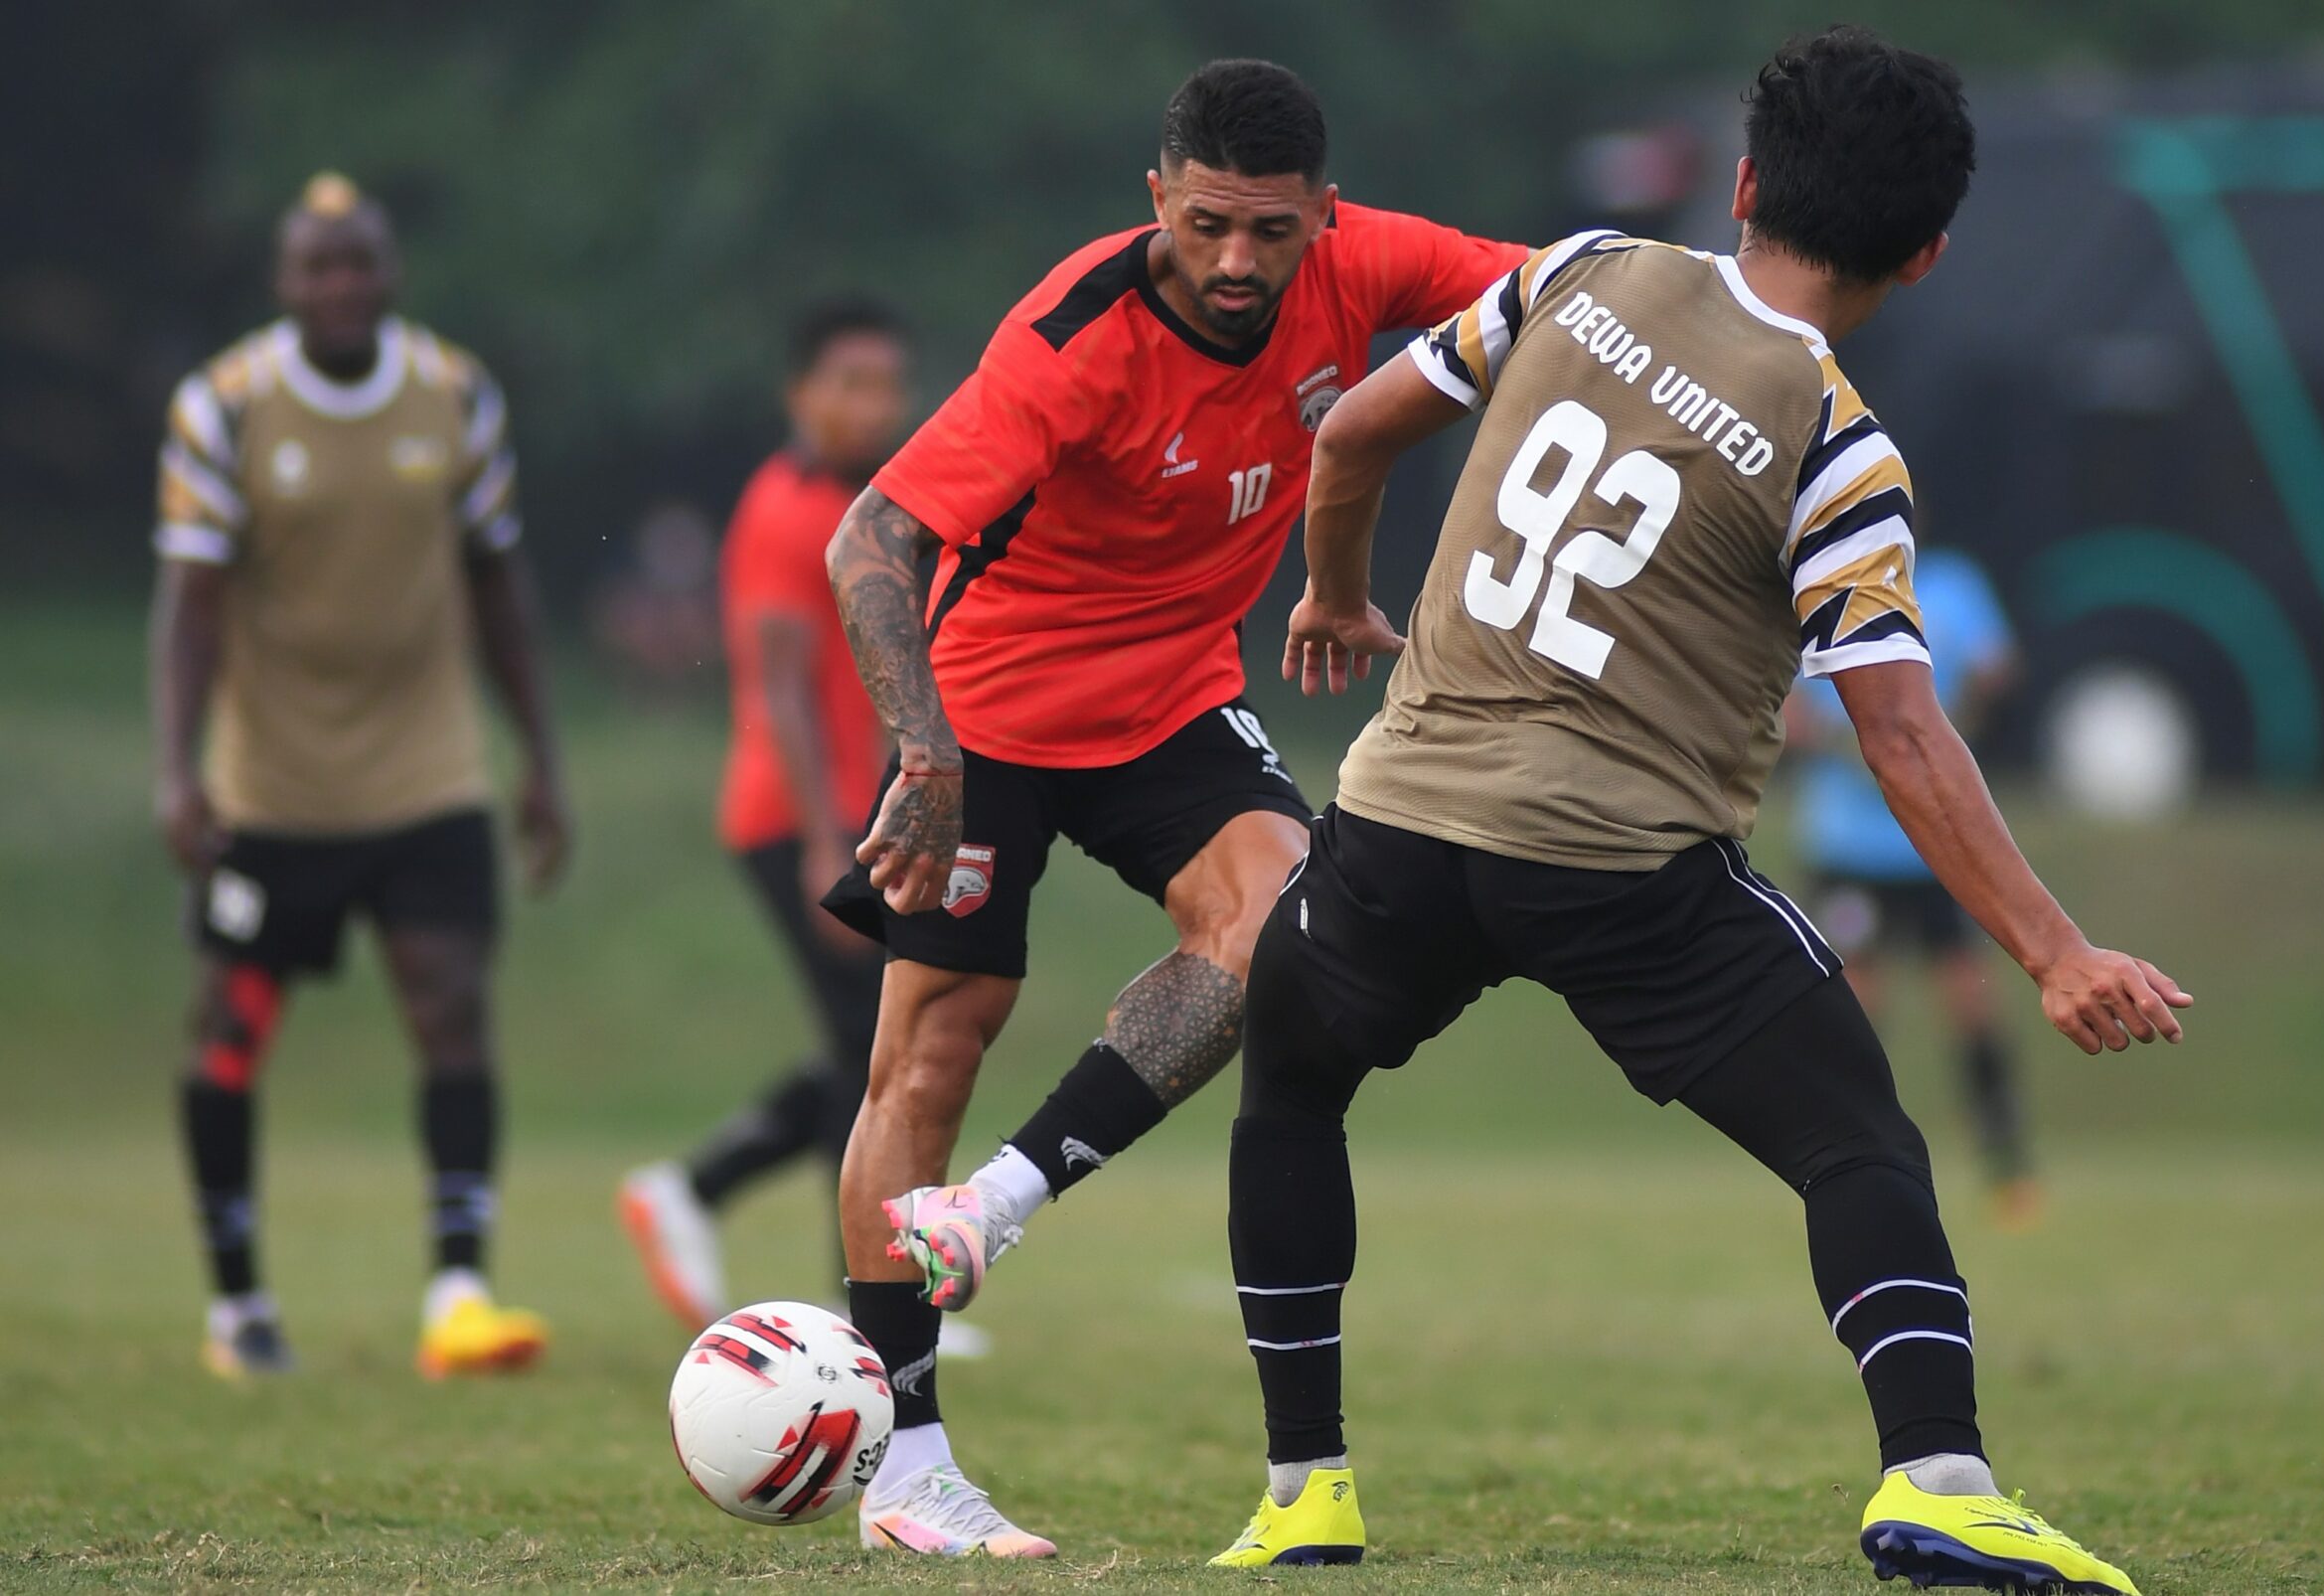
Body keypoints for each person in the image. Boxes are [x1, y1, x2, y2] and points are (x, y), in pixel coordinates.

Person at [1208, 30, 2186, 1592]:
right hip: (1618, 868)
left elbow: (1348, 431)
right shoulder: (1842, 449)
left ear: (1740, 185)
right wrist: (2056, 950)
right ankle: (1940, 1477)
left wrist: (1332, 594)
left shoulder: (1583, 270)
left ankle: (1301, 1490)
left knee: (1294, 1084)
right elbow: (1904, 737)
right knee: (1858, 1139)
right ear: (1924, 256)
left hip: (1400, 822)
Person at [818, 60, 1525, 1557]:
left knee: (1284, 935)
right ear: (1159, 196)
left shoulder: (1371, 267)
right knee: (926, 1054)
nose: (1236, 263)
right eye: (1207, 223)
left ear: (1323, 217)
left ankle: (998, 1200)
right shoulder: (1068, 341)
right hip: (988, 705)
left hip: (1172, 699)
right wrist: (924, 754)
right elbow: (868, 534)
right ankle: (908, 1463)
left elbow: (1568, 304)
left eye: (1272, 232)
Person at [152, 173, 567, 1380]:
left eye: (360, 263)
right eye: (317, 266)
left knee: (449, 1007)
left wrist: (538, 755)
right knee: (230, 1031)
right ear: (285, 281)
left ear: (390, 273)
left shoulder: (454, 394)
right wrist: (177, 771)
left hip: (426, 768)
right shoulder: (223, 406)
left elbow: (500, 585)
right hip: (269, 784)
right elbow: (187, 605)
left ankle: (459, 1289)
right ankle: (238, 1305)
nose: (341, 285)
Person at [617, 298, 979, 1357]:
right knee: (879, 1051)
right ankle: (866, 1302)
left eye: (887, 383)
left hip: (850, 816)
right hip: (795, 820)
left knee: (872, 1046)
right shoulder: (782, 511)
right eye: (850, 382)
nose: (874, 404)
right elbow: (775, 690)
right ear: (799, 394)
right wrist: (828, 839)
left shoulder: (875, 502)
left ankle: (692, 1188)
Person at [1787, 546, 2041, 1227]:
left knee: (1971, 1003)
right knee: (1857, 1010)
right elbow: (1788, 708)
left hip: (1934, 845)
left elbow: (1997, 669)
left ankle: (2007, 1164)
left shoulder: (1954, 585)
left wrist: (1951, 715)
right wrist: (1837, 736)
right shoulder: (1820, 583)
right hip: (1850, 845)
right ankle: (1841, 1167)